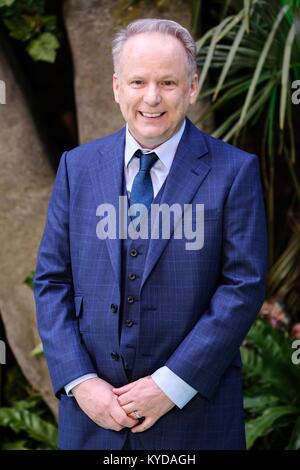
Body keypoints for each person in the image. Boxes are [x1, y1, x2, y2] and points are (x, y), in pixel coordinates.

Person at [33, 18, 268, 450]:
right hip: (91, 421)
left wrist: (170, 385)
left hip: (194, 420)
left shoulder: (234, 172)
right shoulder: (77, 168)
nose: (152, 98)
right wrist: (81, 382)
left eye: (168, 82)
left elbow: (243, 286)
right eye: (138, 81)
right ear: (117, 86)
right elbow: (52, 282)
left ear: (192, 87)